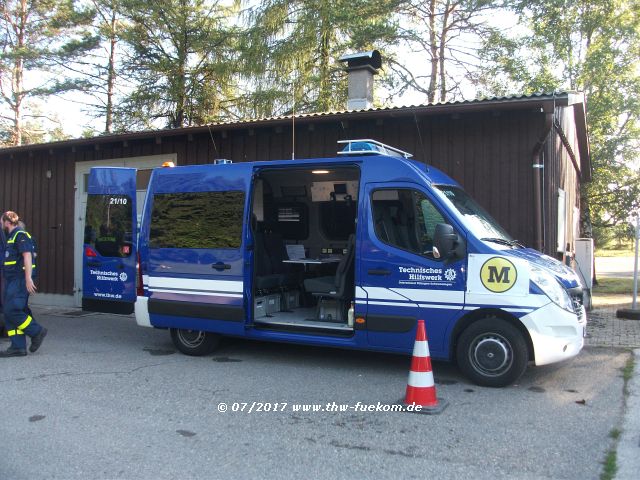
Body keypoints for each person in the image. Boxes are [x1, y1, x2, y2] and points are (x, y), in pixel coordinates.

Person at [0, 211, 47, 357]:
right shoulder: (11, 237)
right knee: (8, 312)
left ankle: (37, 331)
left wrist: (28, 279)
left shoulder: (20, 235)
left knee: (12, 310)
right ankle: (18, 347)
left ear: (8, 221)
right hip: (11, 279)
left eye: (1, 220)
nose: (0, 223)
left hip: (19, 280)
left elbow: (27, 256)